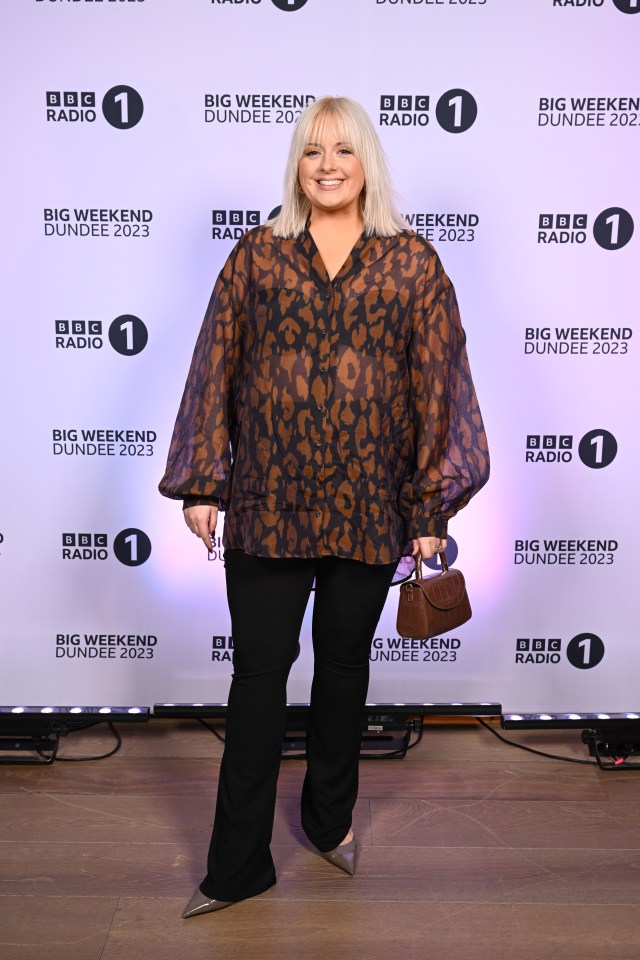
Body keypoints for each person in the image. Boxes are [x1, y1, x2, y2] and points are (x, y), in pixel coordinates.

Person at [159, 95, 489, 918]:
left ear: (366, 162)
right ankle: (237, 867)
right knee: (258, 679)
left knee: (344, 672)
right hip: (269, 501)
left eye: (343, 149)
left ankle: (330, 822)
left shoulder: (413, 263)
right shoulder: (256, 258)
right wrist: (204, 480)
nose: (329, 164)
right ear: (296, 166)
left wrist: (428, 509)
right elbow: (215, 367)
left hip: (372, 505)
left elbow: (438, 390)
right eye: (313, 151)